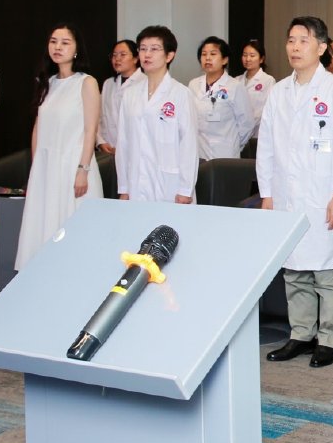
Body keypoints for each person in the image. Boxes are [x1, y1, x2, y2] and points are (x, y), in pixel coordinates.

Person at [261, 16, 333, 368]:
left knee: (327, 272)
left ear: (321, 47)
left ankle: (329, 339)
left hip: (324, 196)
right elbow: (266, 148)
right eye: (291, 40)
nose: (294, 47)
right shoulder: (278, 92)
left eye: (303, 41)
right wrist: (267, 194)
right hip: (286, 196)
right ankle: (301, 334)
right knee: (294, 272)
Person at [16, 24, 102, 271]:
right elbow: (38, 129)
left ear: (76, 49)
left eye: (65, 42)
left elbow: (90, 130)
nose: (57, 47)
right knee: (43, 227)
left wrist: (83, 169)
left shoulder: (86, 83)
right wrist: (37, 168)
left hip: (74, 165)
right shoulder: (48, 82)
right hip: (47, 167)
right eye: (53, 41)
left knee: (73, 228)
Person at [115, 25, 199, 204]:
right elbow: (123, 143)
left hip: (171, 185)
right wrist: (123, 187)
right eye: (143, 49)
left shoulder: (181, 94)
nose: (147, 54)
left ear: (169, 55)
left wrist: (185, 189)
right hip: (136, 182)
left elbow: (189, 144)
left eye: (154, 49)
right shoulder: (130, 94)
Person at [189, 36, 252, 159]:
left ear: (224, 60)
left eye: (213, 54)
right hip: (199, 152)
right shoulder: (193, 85)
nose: (207, 58)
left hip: (225, 154)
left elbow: (247, 124)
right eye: (204, 54)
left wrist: (233, 144)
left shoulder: (235, 86)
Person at [97, 39, 137, 155]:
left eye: (122, 55)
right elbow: (99, 115)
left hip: (133, 151)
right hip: (107, 149)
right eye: (114, 55)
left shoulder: (145, 83)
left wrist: (124, 149)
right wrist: (100, 141)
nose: (117, 59)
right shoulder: (108, 83)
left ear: (135, 58)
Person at [241, 38, 272, 136]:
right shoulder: (236, 81)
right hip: (237, 133)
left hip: (258, 133)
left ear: (261, 59)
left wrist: (246, 127)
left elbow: (263, 110)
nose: (248, 59)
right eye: (245, 55)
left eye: (252, 55)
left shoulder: (268, 81)